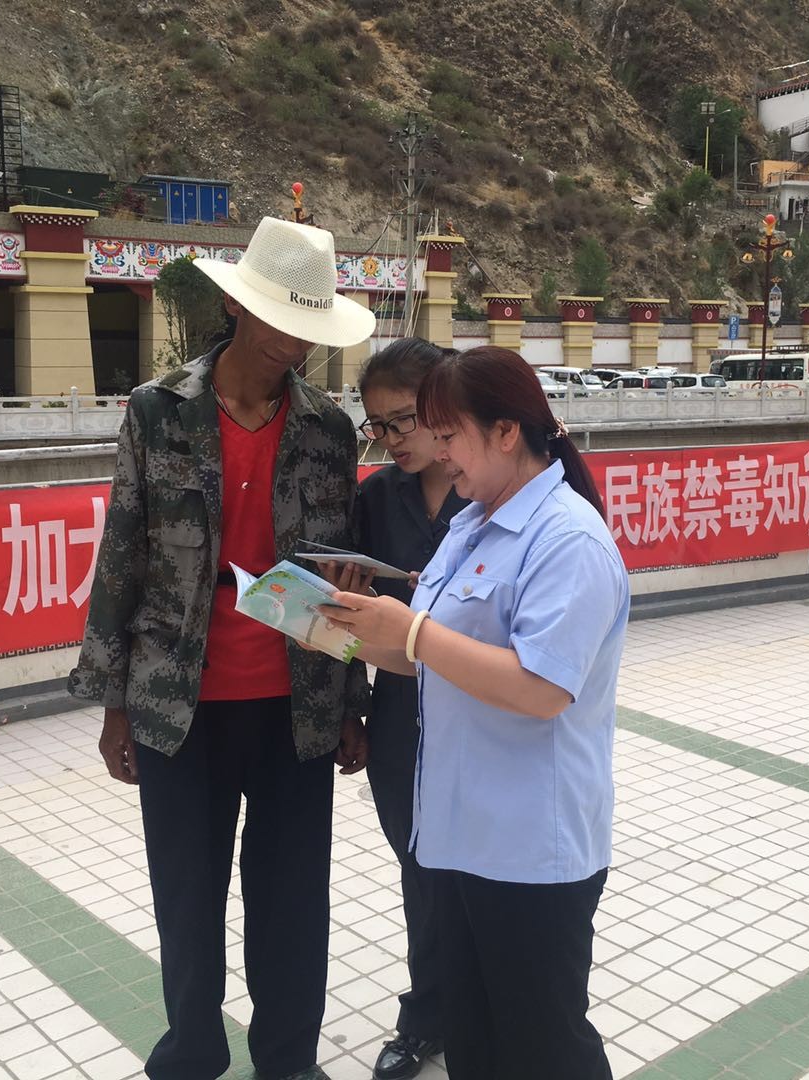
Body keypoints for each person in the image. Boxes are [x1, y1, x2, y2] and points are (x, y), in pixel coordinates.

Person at [68, 216, 376, 1080]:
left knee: (292, 903)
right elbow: (121, 554)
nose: (295, 345)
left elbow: (343, 577)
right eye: (282, 320)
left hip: (295, 708)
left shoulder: (328, 430)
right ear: (239, 307)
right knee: (187, 899)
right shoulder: (158, 412)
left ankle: (289, 1060)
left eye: (310, 328)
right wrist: (115, 704)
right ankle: (192, 1055)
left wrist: (351, 704)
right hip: (179, 706)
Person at [320, 346, 630, 1080]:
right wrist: (335, 628)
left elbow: (541, 689)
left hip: (529, 848)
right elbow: (424, 658)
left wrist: (413, 632)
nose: (437, 453)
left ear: (506, 432)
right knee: (476, 1043)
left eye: (447, 435)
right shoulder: (473, 526)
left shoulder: (568, 539)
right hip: (457, 837)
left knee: (545, 1048)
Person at [351, 339, 468, 1080]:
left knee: (476, 877)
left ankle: (481, 1010)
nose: (391, 439)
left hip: (480, 715)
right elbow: (356, 608)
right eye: (378, 425)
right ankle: (426, 1018)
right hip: (400, 717)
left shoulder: (489, 490)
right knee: (420, 872)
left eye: (403, 421)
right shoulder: (375, 498)